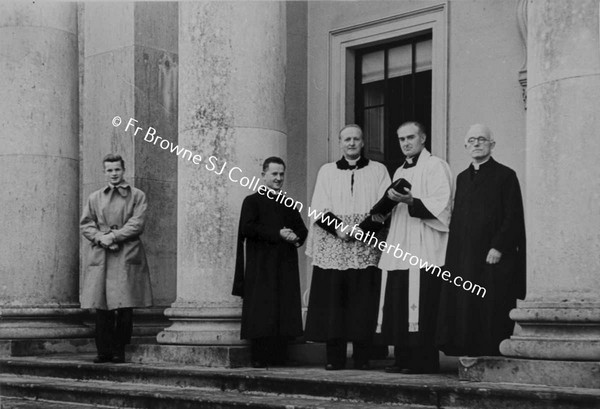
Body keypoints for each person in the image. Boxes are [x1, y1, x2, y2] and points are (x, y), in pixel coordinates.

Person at [304, 124, 391, 370]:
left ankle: (363, 357)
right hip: (335, 245)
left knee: (363, 303)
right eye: (347, 139)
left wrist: (362, 230)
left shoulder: (378, 170)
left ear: (363, 142)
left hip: (365, 246)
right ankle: (335, 358)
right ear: (340, 143)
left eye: (356, 139)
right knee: (335, 303)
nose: (351, 143)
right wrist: (340, 229)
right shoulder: (327, 171)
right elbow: (319, 206)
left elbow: (384, 205)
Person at [436, 124, 526, 356]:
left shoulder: (506, 175)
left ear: (492, 145)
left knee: (492, 304)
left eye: (482, 140)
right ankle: (469, 352)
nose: (476, 144)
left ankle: (492, 353)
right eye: (472, 140)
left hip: (493, 256)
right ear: (466, 146)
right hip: (466, 256)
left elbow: (513, 215)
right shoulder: (462, 178)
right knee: (467, 304)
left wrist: (499, 246)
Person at [378, 121, 452, 374]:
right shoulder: (399, 170)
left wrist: (412, 201)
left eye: (410, 137)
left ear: (423, 138)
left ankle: (423, 361)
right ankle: (402, 358)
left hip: (424, 246)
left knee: (423, 303)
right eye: (401, 139)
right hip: (400, 243)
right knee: (399, 301)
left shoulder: (436, 166)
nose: (406, 143)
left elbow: (444, 204)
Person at [232, 157, 308, 368]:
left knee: (283, 308)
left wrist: (297, 237)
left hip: (284, 265)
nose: (278, 178)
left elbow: (302, 229)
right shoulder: (252, 201)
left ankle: (280, 355)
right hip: (261, 266)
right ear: (263, 175)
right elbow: (247, 228)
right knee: (263, 309)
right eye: (274, 174)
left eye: (281, 174)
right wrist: (278, 233)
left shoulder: (289, 203)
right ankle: (260, 356)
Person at [80, 154, 153, 363]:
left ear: (124, 170)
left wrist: (114, 236)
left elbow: (137, 223)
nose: (113, 174)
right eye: (109, 170)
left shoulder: (137, 195)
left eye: (117, 170)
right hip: (102, 253)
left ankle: (120, 350)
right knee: (101, 305)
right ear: (104, 172)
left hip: (126, 252)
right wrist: (100, 238)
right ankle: (103, 351)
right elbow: (86, 224)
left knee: (124, 305)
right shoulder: (95, 197)